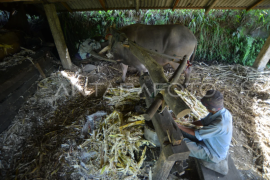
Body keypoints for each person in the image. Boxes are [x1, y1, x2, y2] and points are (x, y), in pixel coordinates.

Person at [177, 90, 232, 164]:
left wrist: (179, 126)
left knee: (179, 145)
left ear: (212, 108)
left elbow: (195, 133)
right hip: (207, 140)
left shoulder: (219, 125)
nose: (205, 107)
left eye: (206, 106)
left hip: (213, 153)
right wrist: (187, 123)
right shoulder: (220, 112)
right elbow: (203, 122)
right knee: (181, 131)